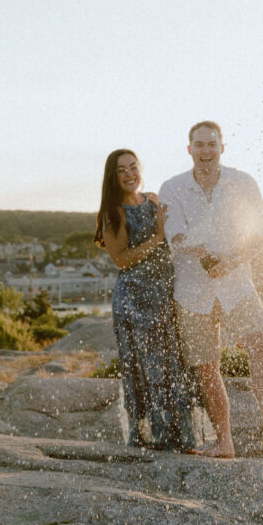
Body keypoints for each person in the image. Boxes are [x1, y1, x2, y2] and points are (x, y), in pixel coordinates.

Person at [159, 121, 263, 459]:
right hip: (191, 292)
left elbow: (259, 233)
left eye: (212, 145)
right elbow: (176, 234)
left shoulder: (243, 183)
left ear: (222, 147)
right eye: (199, 145)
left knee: (261, 345)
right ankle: (224, 441)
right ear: (189, 150)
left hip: (237, 284)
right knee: (206, 366)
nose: (206, 152)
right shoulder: (172, 187)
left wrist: (230, 261)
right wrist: (203, 253)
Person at [95, 149, 197, 451]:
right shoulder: (112, 213)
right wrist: (157, 236)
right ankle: (154, 436)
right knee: (147, 369)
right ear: (112, 177)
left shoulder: (153, 200)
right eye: (121, 170)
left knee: (175, 365)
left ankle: (182, 435)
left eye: (133, 167)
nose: (129, 175)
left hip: (165, 297)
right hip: (136, 302)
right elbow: (122, 261)